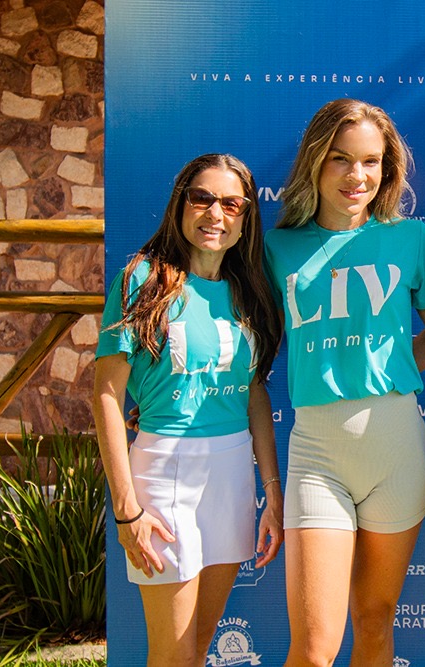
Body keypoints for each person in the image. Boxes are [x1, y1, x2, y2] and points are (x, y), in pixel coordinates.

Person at [264, 98, 425, 667]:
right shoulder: (273, 249)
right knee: (313, 649)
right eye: (341, 159)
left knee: (375, 625)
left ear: (387, 170)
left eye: (371, 162)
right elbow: (237, 349)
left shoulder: (410, 239)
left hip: (396, 449)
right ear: (315, 160)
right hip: (316, 453)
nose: (356, 176)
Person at [92, 153, 283, 667]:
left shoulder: (250, 293)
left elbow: (255, 394)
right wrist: (127, 507)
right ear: (180, 205)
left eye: (230, 203)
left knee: (199, 649)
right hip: (163, 473)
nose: (214, 213)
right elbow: (106, 396)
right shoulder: (144, 280)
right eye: (201, 198)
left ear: (246, 219)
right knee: (172, 655)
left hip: (232, 475)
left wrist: (272, 490)